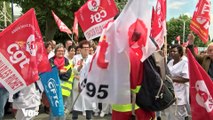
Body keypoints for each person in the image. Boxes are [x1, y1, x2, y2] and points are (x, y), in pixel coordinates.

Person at [162, 44, 189, 120]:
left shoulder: (184, 63)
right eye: (171, 51)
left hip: (180, 93)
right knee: (170, 114)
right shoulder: (170, 62)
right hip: (170, 92)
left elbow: (186, 79)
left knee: (179, 114)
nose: (172, 53)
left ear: (180, 53)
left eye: (174, 51)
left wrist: (172, 79)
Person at [49, 43, 72, 120]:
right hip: (53, 89)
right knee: (53, 107)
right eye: (59, 51)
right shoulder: (51, 61)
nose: (61, 52)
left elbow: (68, 75)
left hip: (64, 90)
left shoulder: (66, 61)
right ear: (55, 52)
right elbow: (49, 73)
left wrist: (58, 74)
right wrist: (59, 72)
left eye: (62, 51)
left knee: (62, 107)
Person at [72, 40, 93, 120]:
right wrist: (79, 67)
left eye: (88, 47)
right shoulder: (76, 57)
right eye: (84, 48)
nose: (86, 49)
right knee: (76, 102)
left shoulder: (92, 58)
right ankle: (74, 117)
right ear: (80, 49)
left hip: (88, 83)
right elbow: (73, 71)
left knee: (88, 101)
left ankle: (89, 117)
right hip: (78, 82)